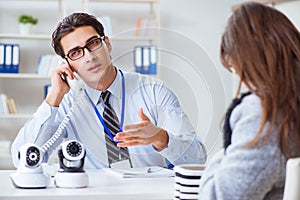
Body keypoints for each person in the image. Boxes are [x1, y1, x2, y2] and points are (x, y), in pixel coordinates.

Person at [11, 12, 207, 169]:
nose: (88, 56)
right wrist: (53, 98)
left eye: (93, 43)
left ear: (107, 44)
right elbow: (22, 159)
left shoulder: (154, 91)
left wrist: (161, 138)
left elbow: (197, 158)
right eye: (76, 52)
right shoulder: (67, 103)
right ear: (68, 64)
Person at [198, 2, 300, 200]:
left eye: (238, 71)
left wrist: (227, 149)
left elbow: (217, 196)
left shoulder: (263, 112)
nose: (243, 83)